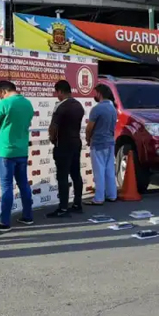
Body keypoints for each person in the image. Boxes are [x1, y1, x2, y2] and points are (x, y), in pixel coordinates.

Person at [0, 80, 34, 232]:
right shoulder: (28, 104)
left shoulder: (4, 104)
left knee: (6, 187)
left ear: (3, 92)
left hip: (6, 151)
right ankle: (28, 216)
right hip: (22, 150)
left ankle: (5, 222)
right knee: (24, 184)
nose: (0, 98)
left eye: (0, 95)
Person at [46, 80, 85, 217]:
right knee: (76, 174)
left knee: (62, 176)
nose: (56, 96)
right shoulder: (79, 106)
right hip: (76, 142)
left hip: (63, 144)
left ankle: (63, 208)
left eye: (57, 93)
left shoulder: (60, 106)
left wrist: (52, 139)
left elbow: (53, 127)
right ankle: (77, 204)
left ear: (60, 92)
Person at [85, 84, 118, 205]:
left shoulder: (97, 109)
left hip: (98, 143)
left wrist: (88, 139)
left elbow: (89, 128)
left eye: (95, 93)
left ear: (99, 93)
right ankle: (112, 195)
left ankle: (99, 198)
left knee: (99, 171)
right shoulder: (113, 108)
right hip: (110, 142)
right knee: (109, 170)